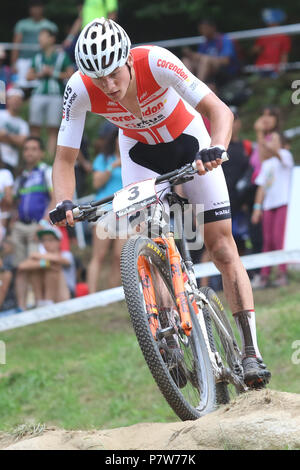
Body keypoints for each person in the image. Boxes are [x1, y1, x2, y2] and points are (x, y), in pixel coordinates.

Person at [49, 17, 271, 388]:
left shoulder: (156, 61)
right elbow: (64, 159)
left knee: (220, 245)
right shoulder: (79, 88)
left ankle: (251, 351)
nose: (107, 85)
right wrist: (65, 201)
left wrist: (215, 147)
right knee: (148, 239)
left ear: (127, 59)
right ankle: (167, 334)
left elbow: (219, 110)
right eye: (97, 78)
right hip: (139, 156)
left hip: (188, 141)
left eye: (112, 73)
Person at [11, 136, 55, 311]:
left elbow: (54, 199)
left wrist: (43, 223)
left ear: (42, 152)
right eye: (26, 149)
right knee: (19, 268)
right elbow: (15, 203)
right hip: (19, 226)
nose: (29, 152)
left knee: (34, 264)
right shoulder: (21, 177)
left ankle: (38, 304)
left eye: (34, 148)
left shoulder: (46, 171)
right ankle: (21, 308)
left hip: (37, 225)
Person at [251, 136, 294, 288]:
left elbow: (274, 151)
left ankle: (282, 273)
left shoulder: (285, 155)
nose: (269, 143)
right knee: (267, 240)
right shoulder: (267, 163)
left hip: (282, 203)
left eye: (273, 140)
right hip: (268, 206)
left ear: (281, 143)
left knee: (278, 239)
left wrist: (260, 135)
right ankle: (265, 274)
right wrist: (257, 208)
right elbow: (261, 187)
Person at [27, 28, 74, 157]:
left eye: (43, 36)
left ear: (52, 39)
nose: (40, 39)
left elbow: (70, 74)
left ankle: (48, 157)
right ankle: (35, 155)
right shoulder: (37, 56)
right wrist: (41, 74)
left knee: (53, 128)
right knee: (35, 126)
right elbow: (28, 76)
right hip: (38, 94)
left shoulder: (61, 56)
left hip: (55, 95)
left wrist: (53, 73)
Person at [87, 130, 123, 292]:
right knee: (98, 256)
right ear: (114, 140)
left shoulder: (134, 160)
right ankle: (91, 296)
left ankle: (112, 296)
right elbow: (96, 183)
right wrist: (113, 165)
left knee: (119, 258)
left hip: (127, 212)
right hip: (104, 210)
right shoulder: (103, 159)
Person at [18, 224, 72, 306]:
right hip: (45, 292)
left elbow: (63, 260)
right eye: (44, 240)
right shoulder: (41, 257)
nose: (46, 243)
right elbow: (22, 266)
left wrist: (40, 258)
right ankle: (40, 302)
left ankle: (47, 301)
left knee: (54, 268)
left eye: (50, 240)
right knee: (35, 269)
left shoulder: (65, 254)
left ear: (59, 241)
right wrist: (45, 264)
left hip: (64, 294)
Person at [11, 0, 58, 89]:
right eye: (33, 8)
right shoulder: (22, 24)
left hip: (41, 60)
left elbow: (53, 45)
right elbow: (16, 44)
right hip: (23, 59)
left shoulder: (50, 25)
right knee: (20, 85)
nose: (36, 10)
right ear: (30, 9)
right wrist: (14, 63)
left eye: (38, 7)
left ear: (42, 9)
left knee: (39, 84)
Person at [181, 19, 239, 86]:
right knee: (186, 60)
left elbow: (226, 61)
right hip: (205, 68)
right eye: (201, 29)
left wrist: (207, 59)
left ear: (213, 28)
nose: (202, 31)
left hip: (224, 70)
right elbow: (199, 58)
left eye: (205, 28)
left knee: (205, 59)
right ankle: (185, 85)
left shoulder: (224, 39)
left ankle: (198, 86)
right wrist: (191, 55)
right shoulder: (205, 43)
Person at [252, 9, 291, 77]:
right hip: (261, 67)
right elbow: (255, 50)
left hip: (274, 69)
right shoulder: (263, 35)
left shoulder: (284, 37)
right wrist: (257, 49)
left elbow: (284, 54)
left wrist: (282, 69)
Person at [0, 88, 30, 173]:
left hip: (11, 162)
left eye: (18, 100)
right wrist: (15, 139)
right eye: (13, 99)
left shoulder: (23, 124)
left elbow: (22, 142)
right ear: (7, 100)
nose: (15, 102)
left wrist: (6, 135)